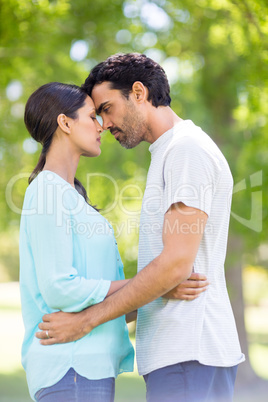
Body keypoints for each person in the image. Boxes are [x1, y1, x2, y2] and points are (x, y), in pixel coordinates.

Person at [36, 53, 245, 402]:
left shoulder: (185, 151)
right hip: (180, 357)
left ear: (138, 92)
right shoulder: (169, 153)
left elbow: (176, 266)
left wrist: (86, 320)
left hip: (189, 352)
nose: (103, 124)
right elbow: (164, 283)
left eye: (106, 108)